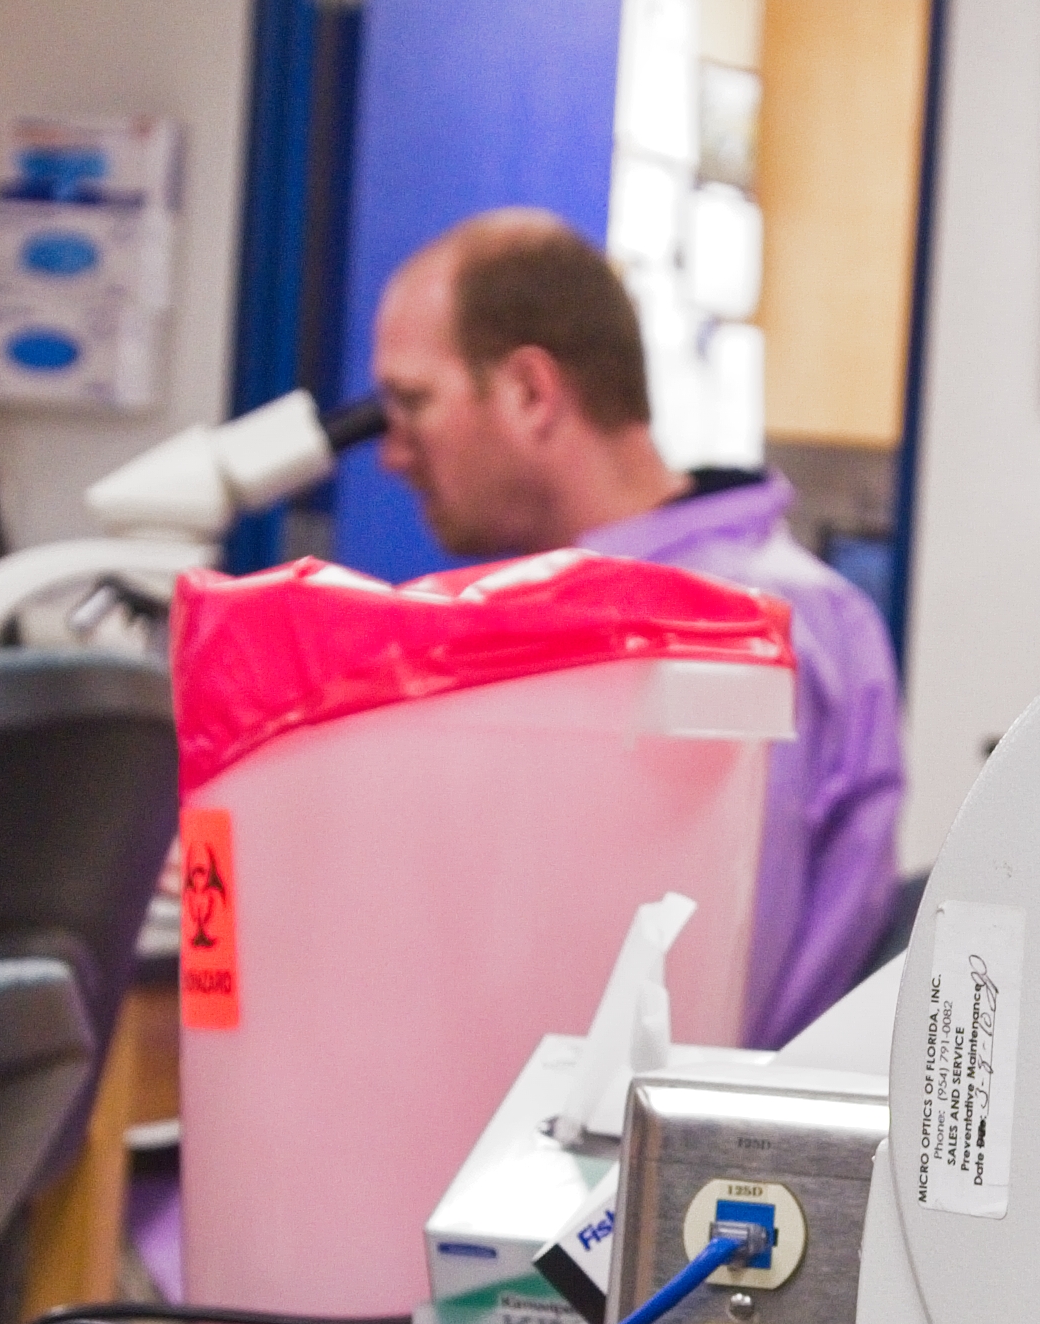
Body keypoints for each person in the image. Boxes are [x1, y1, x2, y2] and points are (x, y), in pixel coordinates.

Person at [365, 208, 909, 1044]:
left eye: (413, 405)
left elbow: (682, 1020)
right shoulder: (771, 603)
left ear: (529, 393)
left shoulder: (724, 631)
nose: (392, 454)